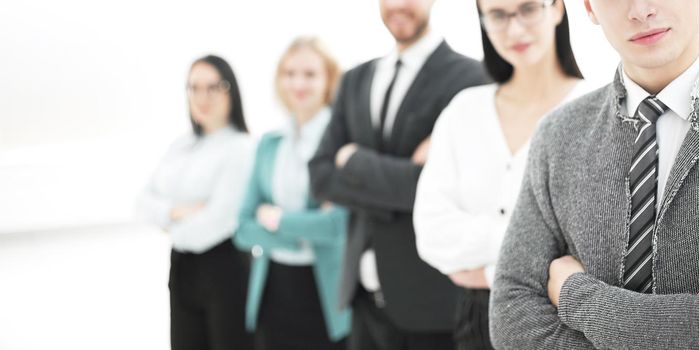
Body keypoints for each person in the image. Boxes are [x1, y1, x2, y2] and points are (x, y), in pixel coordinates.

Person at [489, 1, 699, 349]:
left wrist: (576, 295)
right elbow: (511, 318)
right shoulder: (558, 135)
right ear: (589, 7)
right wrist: (688, 326)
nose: (641, 10)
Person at [308, 0, 488, 348]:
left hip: (431, 308)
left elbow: (448, 188)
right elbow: (320, 176)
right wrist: (408, 179)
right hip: (360, 302)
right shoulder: (355, 79)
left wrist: (355, 161)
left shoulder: (471, 80)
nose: (399, 5)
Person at [412, 0, 587, 349]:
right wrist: (536, 252)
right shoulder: (464, 110)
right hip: (476, 321)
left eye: (527, 9)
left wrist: (492, 272)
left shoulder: (596, 109)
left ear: (556, 8)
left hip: (563, 320)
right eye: (497, 14)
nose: (514, 28)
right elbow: (432, 232)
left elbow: (597, 250)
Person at [233, 36, 349, 350]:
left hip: (324, 294)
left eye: (310, 74)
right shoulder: (270, 145)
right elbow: (242, 227)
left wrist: (275, 218)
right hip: (273, 289)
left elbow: (336, 226)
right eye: (290, 73)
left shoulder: (341, 143)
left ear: (328, 81)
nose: (298, 82)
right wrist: (301, 231)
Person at [136, 55, 253, 350]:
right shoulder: (182, 145)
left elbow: (217, 222)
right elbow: (142, 202)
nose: (203, 97)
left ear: (230, 91)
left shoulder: (240, 148)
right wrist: (176, 211)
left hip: (225, 267)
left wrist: (168, 222)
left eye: (213, 87)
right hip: (182, 268)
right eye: (194, 88)